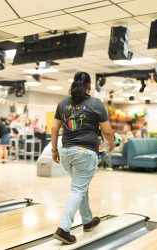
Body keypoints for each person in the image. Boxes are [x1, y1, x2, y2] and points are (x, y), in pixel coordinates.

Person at [51, 72, 115, 245]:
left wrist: (53, 150)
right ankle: (64, 229)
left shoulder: (63, 103)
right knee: (78, 189)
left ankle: (87, 221)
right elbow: (107, 131)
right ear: (89, 86)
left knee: (80, 187)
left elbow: (54, 129)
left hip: (66, 153)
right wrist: (112, 144)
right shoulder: (95, 103)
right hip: (84, 153)